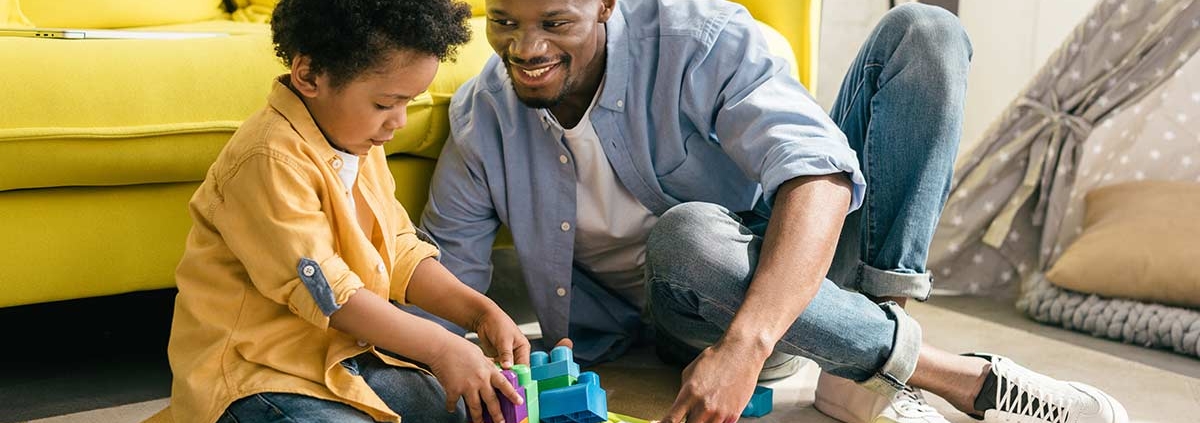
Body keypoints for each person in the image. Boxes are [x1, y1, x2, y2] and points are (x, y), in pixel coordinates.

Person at [421, 0, 1129, 422]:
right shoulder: (483, 118)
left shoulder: (697, 37)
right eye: (505, 21)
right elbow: (437, 277)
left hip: (773, 290)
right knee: (689, 238)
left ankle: (871, 367)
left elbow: (817, 172)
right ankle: (956, 377)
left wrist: (746, 346)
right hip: (687, 311)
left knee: (925, 31)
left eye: (555, 20)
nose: (527, 47)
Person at [164, 1, 532, 422]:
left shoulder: (356, 139)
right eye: (384, 104)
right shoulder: (268, 158)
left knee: (454, 410)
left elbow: (398, 252)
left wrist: (479, 311)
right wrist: (442, 345)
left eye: (407, 103)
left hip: (342, 359)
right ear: (309, 76)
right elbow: (331, 297)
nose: (398, 122)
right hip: (258, 377)